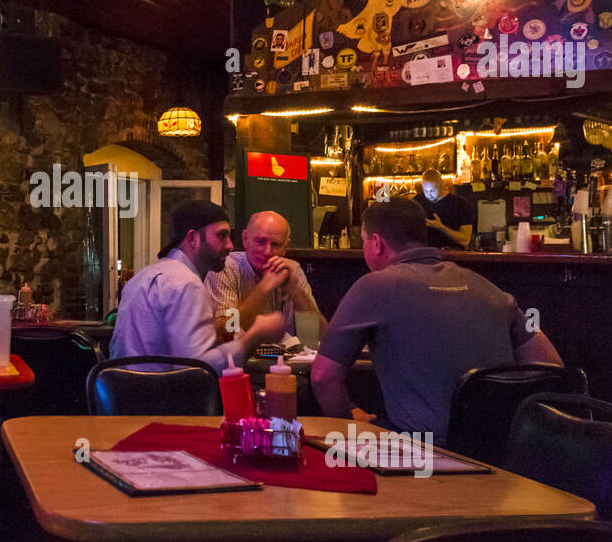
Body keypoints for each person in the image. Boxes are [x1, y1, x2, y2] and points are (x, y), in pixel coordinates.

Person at [310, 197, 562, 444]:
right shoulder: (489, 288)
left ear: (376, 243)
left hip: (422, 455)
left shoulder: (373, 286)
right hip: (501, 452)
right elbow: (551, 365)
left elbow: (323, 376)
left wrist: (348, 422)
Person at [111, 200, 284, 372]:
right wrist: (256, 334)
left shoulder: (141, 277)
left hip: (125, 396)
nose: (231, 246)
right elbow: (202, 367)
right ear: (193, 238)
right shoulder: (194, 281)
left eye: (276, 244)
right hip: (162, 396)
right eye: (221, 235)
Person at [205, 210, 327, 343]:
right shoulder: (225, 269)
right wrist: (264, 288)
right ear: (245, 239)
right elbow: (227, 333)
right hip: (238, 361)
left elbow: (317, 337)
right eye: (260, 241)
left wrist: (296, 290)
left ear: (286, 247)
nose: (267, 251)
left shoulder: (293, 270)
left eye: (275, 244)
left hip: (286, 361)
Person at [415, 169, 473, 249]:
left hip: (453, 256)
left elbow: (465, 240)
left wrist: (441, 227)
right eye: (426, 190)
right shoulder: (417, 202)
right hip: (425, 255)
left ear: (442, 185)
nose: (429, 194)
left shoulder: (460, 204)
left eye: (433, 190)